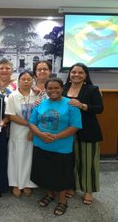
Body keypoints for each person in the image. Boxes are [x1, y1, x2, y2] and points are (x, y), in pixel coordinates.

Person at [29, 77, 82, 216]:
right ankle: (49, 195)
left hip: (61, 147)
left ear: (62, 88)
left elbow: (75, 126)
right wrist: (40, 135)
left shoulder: (71, 104)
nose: (53, 91)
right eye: (50, 88)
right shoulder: (40, 104)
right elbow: (32, 123)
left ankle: (62, 200)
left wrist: (56, 137)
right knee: (45, 172)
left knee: (61, 175)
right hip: (41, 145)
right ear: (46, 90)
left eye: (56, 88)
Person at [62, 63, 104, 205]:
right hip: (67, 131)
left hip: (88, 131)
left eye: (80, 72)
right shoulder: (64, 88)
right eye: (74, 72)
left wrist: (82, 105)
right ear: (70, 73)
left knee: (88, 162)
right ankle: (72, 187)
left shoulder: (92, 89)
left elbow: (99, 109)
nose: (76, 75)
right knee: (71, 161)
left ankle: (88, 191)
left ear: (85, 75)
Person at [6, 70, 39, 198]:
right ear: (18, 81)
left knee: (29, 158)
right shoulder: (12, 96)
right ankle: (15, 183)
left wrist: (33, 128)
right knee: (15, 158)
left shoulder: (37, 95)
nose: (26, 81)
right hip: (17, 132)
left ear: (33, 81)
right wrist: (29, 124)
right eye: (23, 79)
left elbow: (41, 113)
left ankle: (27, 183)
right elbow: (10, 116)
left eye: (29, 79)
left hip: (33, 133)